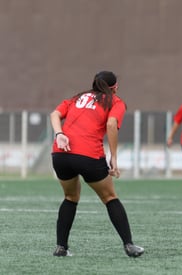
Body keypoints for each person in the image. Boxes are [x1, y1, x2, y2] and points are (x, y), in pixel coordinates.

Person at [50, 71, 144, 257]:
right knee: (110, 197)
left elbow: (55, 114)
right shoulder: (115, 101)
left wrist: (59, 134)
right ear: (114, 88)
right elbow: (111, 124)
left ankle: (61, 247)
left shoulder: (77, 98)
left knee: (70, 197)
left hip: (61, 153)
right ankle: (129, 245)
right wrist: (114, 157)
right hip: (88, 155)